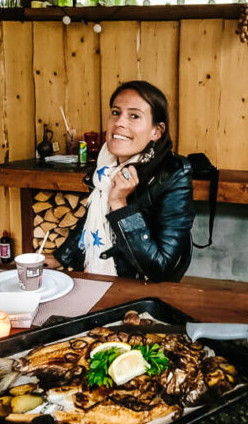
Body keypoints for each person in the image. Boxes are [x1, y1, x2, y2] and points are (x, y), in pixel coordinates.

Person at [54, 81, 194, 281]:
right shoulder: (105, 166)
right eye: (115, 112)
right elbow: (92, 219)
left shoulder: (174, 175)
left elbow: (161, 268)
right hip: (95, 275)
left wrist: (120, 204)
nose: (120, 122)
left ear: (156, 131)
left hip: (138, 286)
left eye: (134, 116)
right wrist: (62, 256)